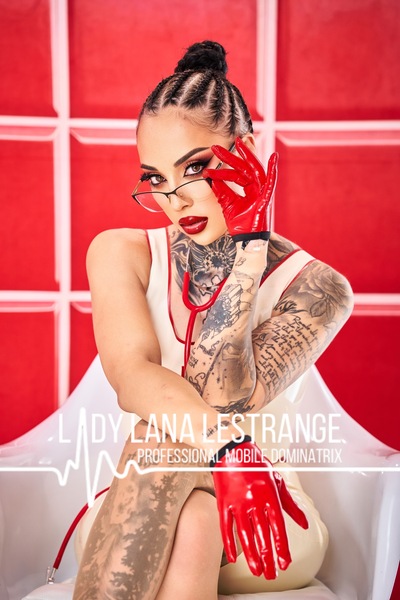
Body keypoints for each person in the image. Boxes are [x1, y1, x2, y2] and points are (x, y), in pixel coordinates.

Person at [72, 41, 353, 600]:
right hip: (143, 505)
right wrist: (224, 446)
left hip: (265, 519)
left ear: (246, 153)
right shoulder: (120, 253)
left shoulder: (320, 287)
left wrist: (248, 253)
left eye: (195, 168)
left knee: (164, 438)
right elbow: (132, 378)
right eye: (155, 178)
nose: (174, 199)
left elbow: (224, 396)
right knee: (190, 505)